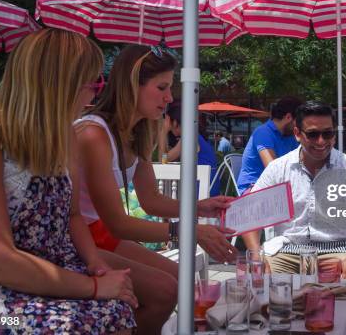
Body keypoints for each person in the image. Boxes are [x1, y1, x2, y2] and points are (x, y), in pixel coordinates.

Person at [0, 28, 136, 333]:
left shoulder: (62, 134)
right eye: (94, 83)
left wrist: (96, 265)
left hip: (43, 273)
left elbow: (73, 215)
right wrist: (92, 287)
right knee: (66, 324)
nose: (97, 93)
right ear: (60, 87)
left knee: (117, 309)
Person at [75, 45, 237, 282]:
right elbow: (118, 223)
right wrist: (189, 232)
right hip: (75, 236)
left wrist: (201, 207)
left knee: (177, 278)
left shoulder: (138, 132)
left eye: (169, 88)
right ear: (131, 86)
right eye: (162, 87)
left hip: (98, 232)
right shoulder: (94, 134)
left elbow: (150, 199)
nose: (169, 97)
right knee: (165, 287)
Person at [241, 102, 346, 283]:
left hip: (339, 252)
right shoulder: (278, 168)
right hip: (286, 253)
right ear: (297, 134)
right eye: (312, 134)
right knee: (261, 291)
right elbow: (250, 213)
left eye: (327, 133)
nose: (321, 141)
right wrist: (256, 257)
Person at [237, 96, 303, 194]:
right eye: (299, 122)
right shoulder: (263, 133)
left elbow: (300, 163)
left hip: (277, 188)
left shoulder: (290, 136)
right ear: (288, 117)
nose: (301, 126)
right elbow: (272, 169)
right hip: (253, 188)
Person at [164, 99, 220, 196]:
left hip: (200, 192)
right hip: (210, 189)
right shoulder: (195, 135)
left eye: (168, 121)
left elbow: (164, 159)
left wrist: (163, 132)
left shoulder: (188, 137)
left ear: (175, 122)